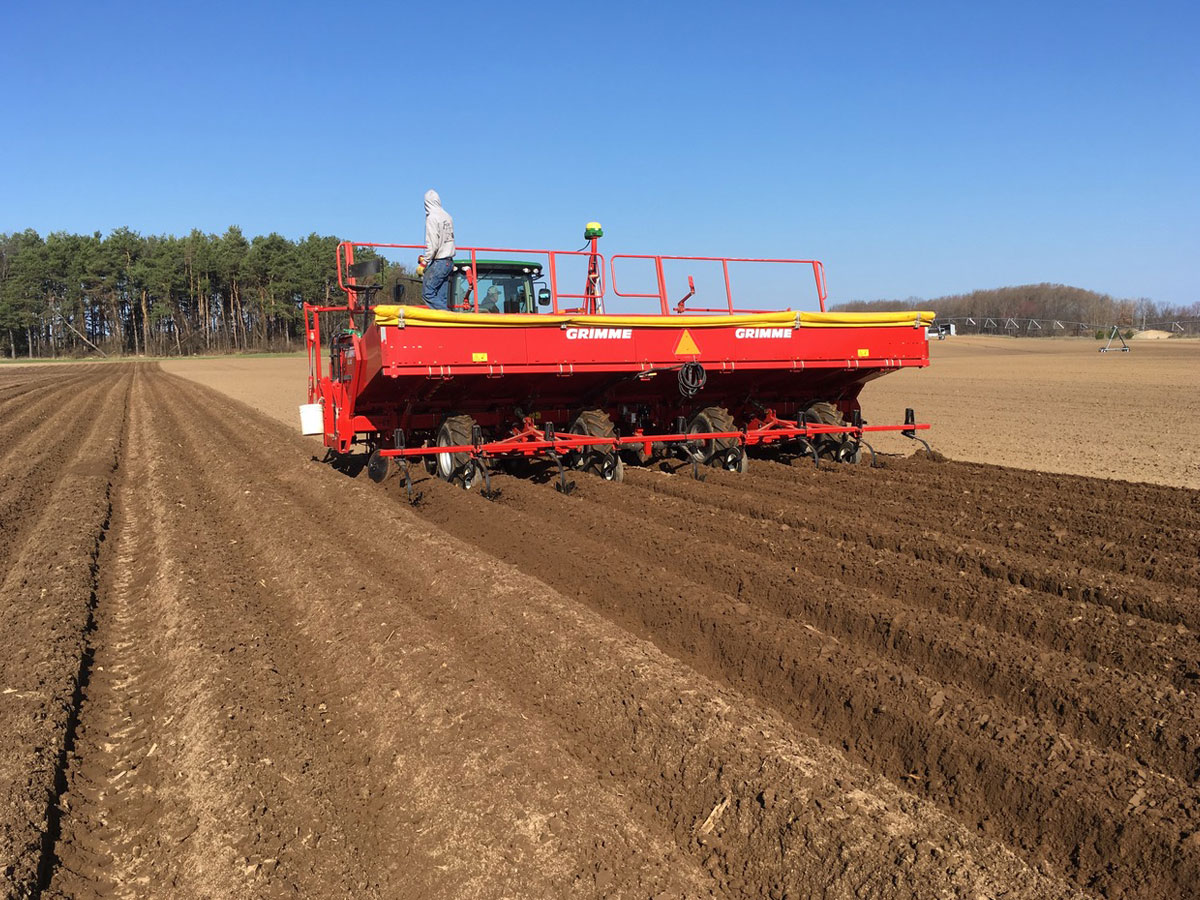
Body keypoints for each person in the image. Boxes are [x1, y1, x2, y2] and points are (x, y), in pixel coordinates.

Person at [418, 189, 455, 310]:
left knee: (427, 293)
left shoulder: (432, 218)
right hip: (449, 262)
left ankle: (449, 317)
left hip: (439, 261)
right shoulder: (447, 216)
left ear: (426, 203)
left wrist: (425, 262)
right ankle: (446, 325)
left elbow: (433, 244)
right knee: (440, 298)